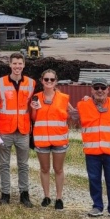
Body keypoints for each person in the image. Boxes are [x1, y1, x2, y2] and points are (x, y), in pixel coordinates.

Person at [77, 77, 110, 219]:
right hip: (92, 152)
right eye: (96, 88)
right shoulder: (82, 105)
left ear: (108, 90)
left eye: (103, 88)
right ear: (91, 90)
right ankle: (97, 206)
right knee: (94, 179)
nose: (99, 91)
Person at [30, 69, 77, 210]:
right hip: (42, 139)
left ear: (56, 81)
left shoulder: (63, 98)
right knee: (44, 169)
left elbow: (73, 114)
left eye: (52, 79)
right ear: (42, 81)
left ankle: (59, 198)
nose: (49, 82)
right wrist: (33, 109)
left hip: (59, 140)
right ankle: (46, 196)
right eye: (46, 79)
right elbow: (34, 118)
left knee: (58, 169)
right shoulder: (36, 97)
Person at [0, 53, 36, 207]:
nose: (17, 66)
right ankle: (5, 195)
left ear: (24, 65)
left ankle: (24, 195)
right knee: (4, 164)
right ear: (9, 65)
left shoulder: (31, 83)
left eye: (20, 63)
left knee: (23, 165)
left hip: (23, 130)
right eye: (15, 63)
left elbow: (33, 107)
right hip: (4, 130)